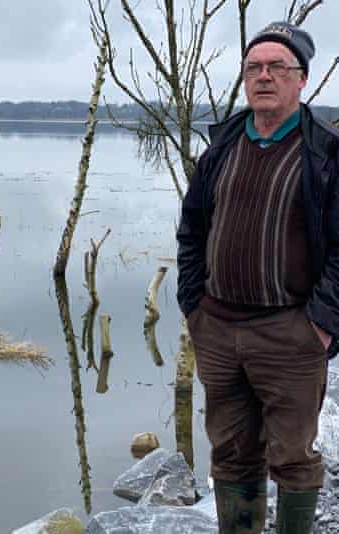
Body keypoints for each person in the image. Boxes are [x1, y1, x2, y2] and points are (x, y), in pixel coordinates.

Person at [177, 21, 339, 534]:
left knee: (292, 456)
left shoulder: (325, 154)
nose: (263, 76)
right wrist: (193, 306)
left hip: (289, 334)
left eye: (277, 67)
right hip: (219, 330)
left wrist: (320, 322)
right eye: (254, 68)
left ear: (301, 80)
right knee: (229, 451)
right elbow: (192, 229)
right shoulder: (221, 147)